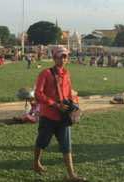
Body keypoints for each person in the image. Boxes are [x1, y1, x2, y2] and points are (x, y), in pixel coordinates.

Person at [33, 46, 85, 181]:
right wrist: (55, 104)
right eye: (59, 56)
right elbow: (38, 94)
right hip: (49, 115)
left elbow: (68, 94)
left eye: (65, 56)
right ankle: (36, 163)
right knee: (42, 142)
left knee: (66, 145)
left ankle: (71, 175)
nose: (62, 59)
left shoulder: (66, 74)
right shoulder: (45, 73)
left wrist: (74, 107)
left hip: (63, 117)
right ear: (54, 58)